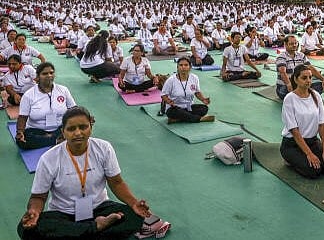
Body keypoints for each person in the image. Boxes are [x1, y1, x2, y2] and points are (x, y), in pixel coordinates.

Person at [18, 106, 152, 240]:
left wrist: (134, 203)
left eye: (83, 127)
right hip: (64, 214)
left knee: (134, 216)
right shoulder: (48, 159)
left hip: (99, 208)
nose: (77, 133)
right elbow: (38, 197)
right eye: (71, 129)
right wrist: (34, 212)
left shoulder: (104, 148)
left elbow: (116, 183)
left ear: (90, 128)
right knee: (27, 229)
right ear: (63, 132)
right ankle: (96, 228)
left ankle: (83, 232)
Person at [280, 64, 324, 179]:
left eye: (310, 77)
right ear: (296, 79)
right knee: (314, 171)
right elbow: (294, 131)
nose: (308, 81)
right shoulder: (289, 99)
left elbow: (322, 124)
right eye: (304, 78)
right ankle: (289, 159)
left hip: (312, 142)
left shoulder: (316, 95)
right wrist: (309, 154)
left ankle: (306, 157)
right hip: (292, 144)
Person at [16, 62, 77, 150]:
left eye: (51, 73)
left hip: (60, 128)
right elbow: (22, 116)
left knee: (78, 130)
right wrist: (20, 132)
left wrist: (85, 117)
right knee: (22, 141)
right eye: (44, 73)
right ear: (37, 77)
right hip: (37, 130)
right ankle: (58, 140)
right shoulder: (28, 95)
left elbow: (73, 109)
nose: (49, 75)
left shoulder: (63, 90)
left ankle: (53, 139)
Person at [161, 57, 213, 123]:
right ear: (177, 67)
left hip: (189, 107)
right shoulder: (171, 80)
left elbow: (197, 92)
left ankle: (179, 119)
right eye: (181, 65)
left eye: (186, 65)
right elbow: (163, 95)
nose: (183, 67)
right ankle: (199, 119)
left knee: (204, 109)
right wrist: (169, 101)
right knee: (174, 112)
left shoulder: (194, 78)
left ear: (190, 67)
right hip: (175, 108)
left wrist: (203, 99)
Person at [275, 35, 324, 100]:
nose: (294, 45)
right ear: (285, 45)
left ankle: (301, 95)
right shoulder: (281, 57)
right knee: (285, 91)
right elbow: (283, 72)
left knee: (321, 85)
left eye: (295, 43)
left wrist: (323, 79)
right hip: (284, 87)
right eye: (291, 44)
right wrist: (289, 85)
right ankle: (305, 95)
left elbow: (310, 68)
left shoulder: (301, 55)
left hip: (300, 86)